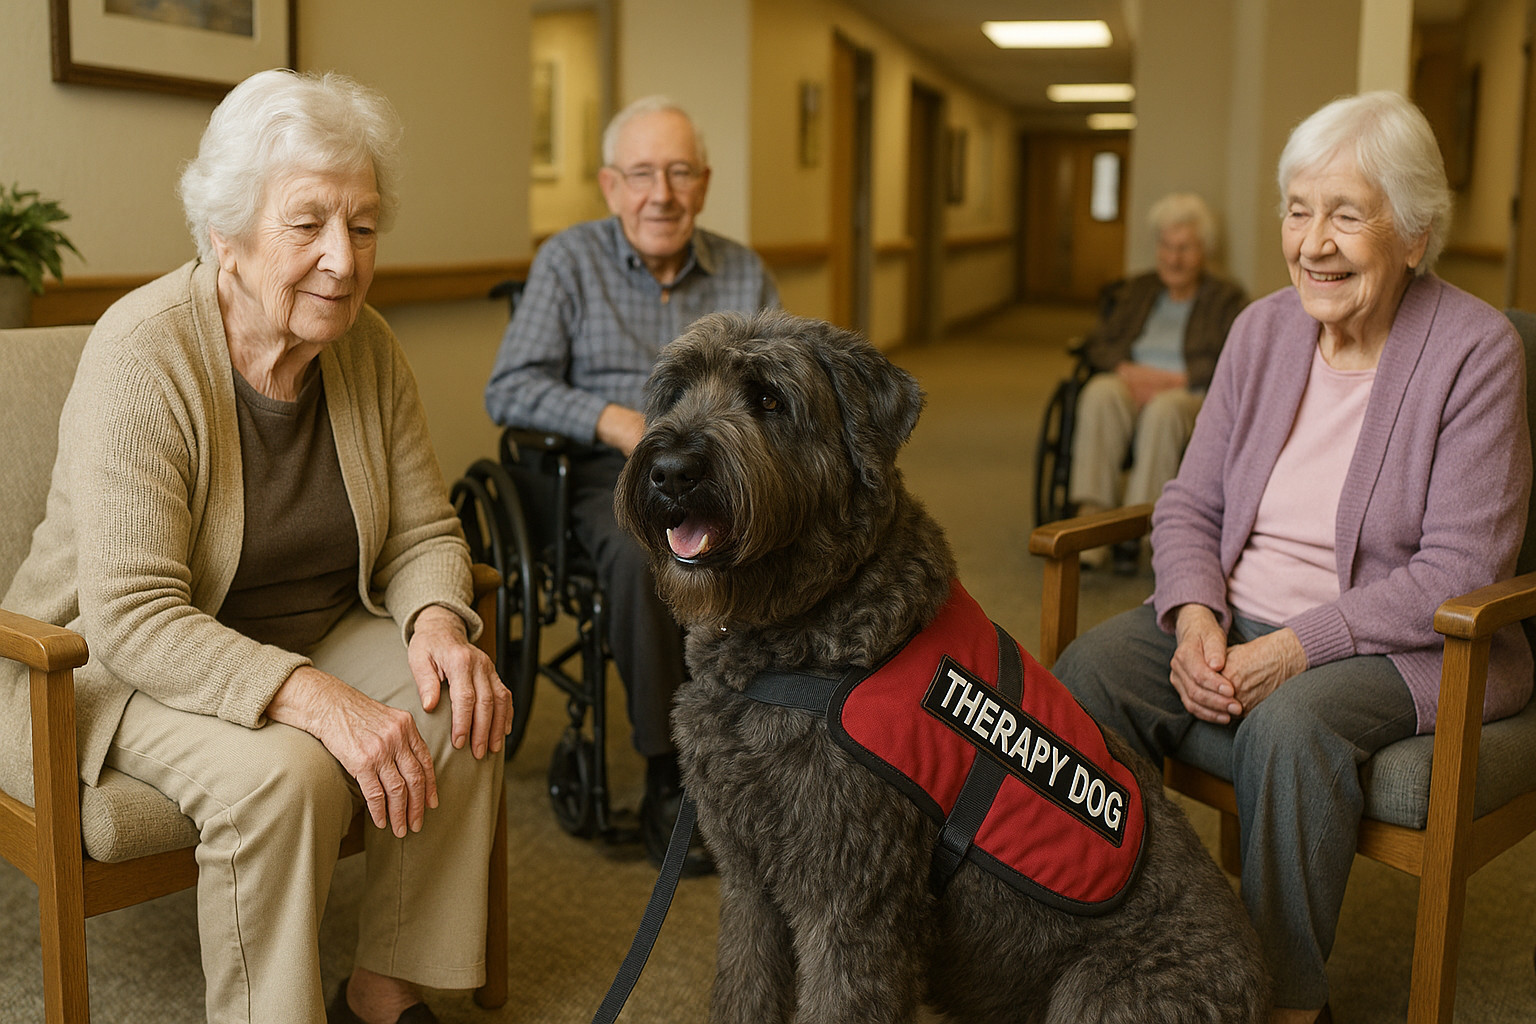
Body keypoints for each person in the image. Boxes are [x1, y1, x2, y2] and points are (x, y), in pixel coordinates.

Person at [1, 70, 512, 1024]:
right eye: (308, 223)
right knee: (288, 773)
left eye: (362, 227)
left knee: (459, 701)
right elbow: (133, 616)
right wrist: (316, 701)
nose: (342, 260)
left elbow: (423, 532)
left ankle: (386, 989)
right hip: (110, 666)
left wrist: (441, 621)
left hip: (308, 627)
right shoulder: (143, 352)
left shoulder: (367, 346)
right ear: (224, 238)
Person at [1054, 91, 1532, 1024]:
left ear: (1416, 235)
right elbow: (1191, 500)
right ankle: (1117, 945)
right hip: (1236, 612)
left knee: (1290, 726)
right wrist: (1196, 614)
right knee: (1086, 676)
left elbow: (1460, 569)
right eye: (1298, 210)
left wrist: (1293, 648)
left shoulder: (1477, 351)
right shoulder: (1263, 329)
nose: (1313, 241)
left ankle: (1281, 999)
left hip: (1408, 646)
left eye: (1348, 215)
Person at [483, 96, 778, 870]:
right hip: (607, 472)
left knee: (792, 535)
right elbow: (510, 387)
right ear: (612, 186)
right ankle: (669, 774)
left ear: (704, 184)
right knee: (647, 554)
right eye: (643, 174)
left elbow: (785, 392)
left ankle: (778, 747)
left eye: (680, 173)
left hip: (725, 468)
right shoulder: (568, 260)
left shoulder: (744, 269)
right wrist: (617, 421)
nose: (662, 194)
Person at [1071, 192, 1247, 573]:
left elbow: (1232, 359)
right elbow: (1097, 342)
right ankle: (1093, 519)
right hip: (1131, 381)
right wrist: (1123, 370)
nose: (1173, 257)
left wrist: (1176, 380)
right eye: (1166, 246)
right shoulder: (1137, 290)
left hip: (1187, 389)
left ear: (1205, 251)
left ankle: (1137, 528)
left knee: (1165, 412)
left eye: (1184, 247)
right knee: (1099, 392)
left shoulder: (1225, 299)